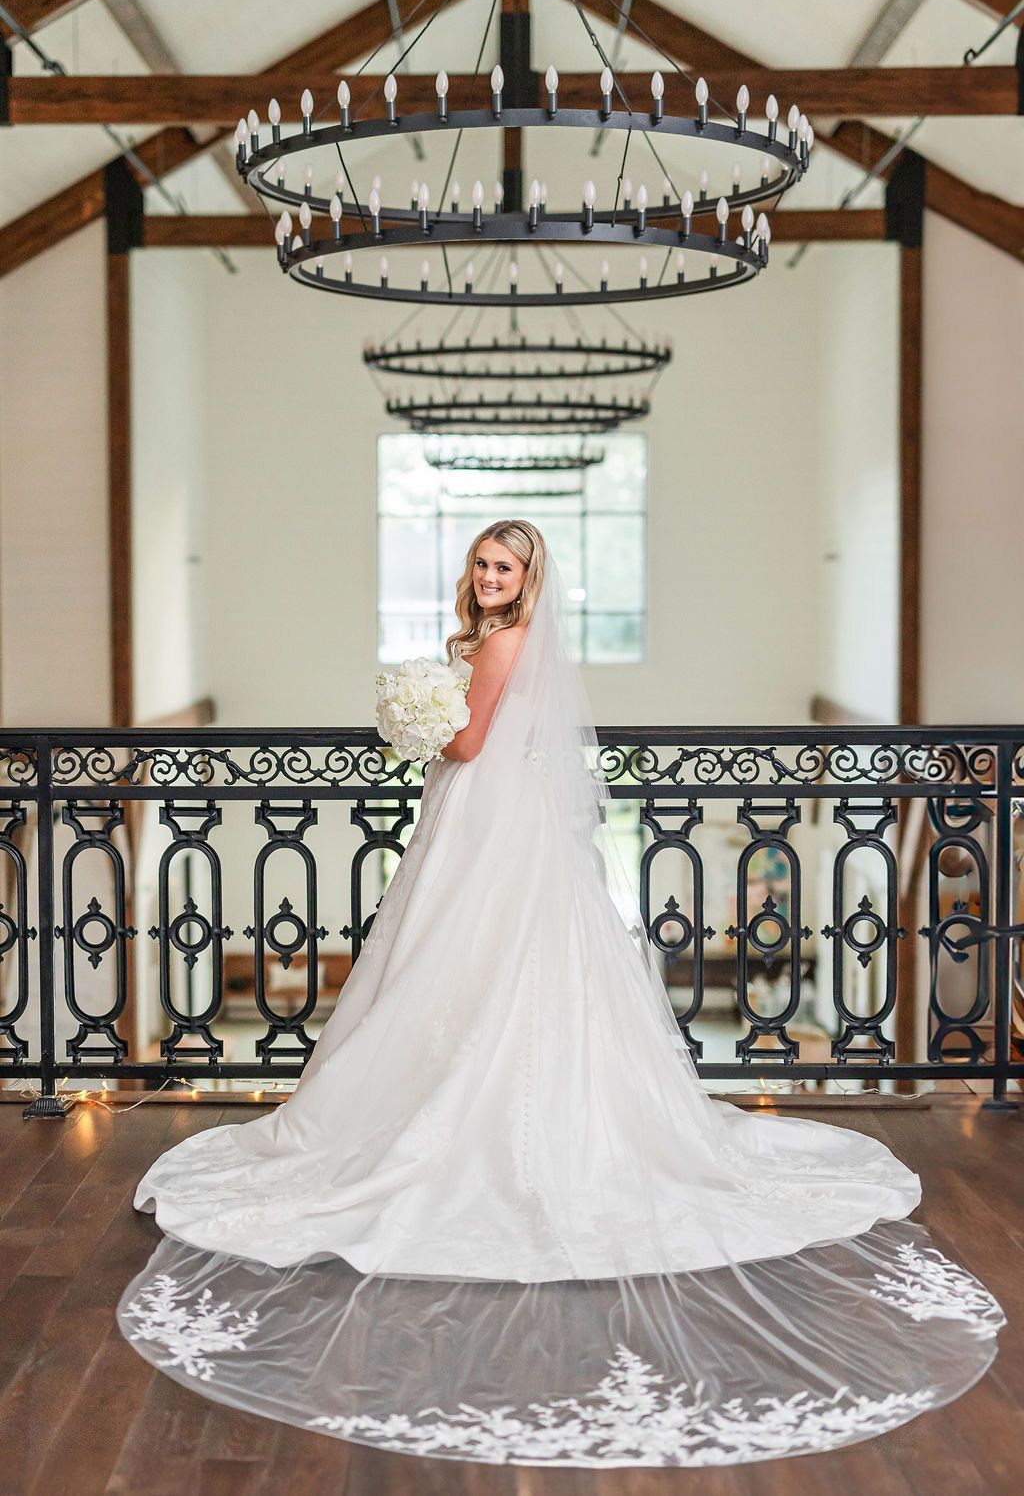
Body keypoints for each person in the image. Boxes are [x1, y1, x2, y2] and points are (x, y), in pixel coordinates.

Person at [118, 520, 1004, 1468]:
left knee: (470, 962)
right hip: (498, 823)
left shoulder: (502, 641)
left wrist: (412, 717)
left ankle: (475, 1128)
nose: (489, 576)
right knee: (466, 969)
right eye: (483, 562)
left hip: (488, 824)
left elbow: (466, 743)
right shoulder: (500, 637)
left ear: (529, 579)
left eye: (506, 566)